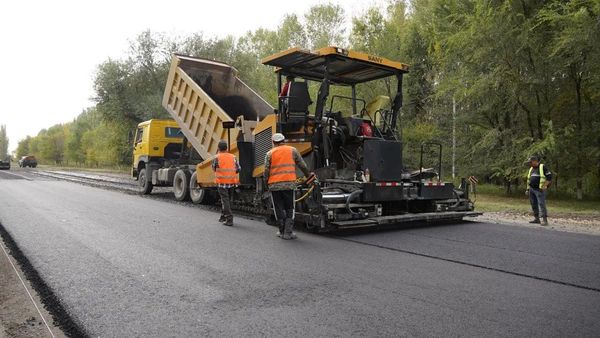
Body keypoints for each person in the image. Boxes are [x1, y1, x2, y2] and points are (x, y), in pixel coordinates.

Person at [264, 133, 311, 240]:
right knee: (290, 208)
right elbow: (302, 165)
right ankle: (288, 232)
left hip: (274, 185)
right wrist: (308, 175)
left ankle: (281, 231)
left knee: (278, 208)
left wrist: (266, 183)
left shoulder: (269, 154)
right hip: (289, 185)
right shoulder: (292, 150)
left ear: (273, 142)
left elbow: (266, 171)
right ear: (284, 140)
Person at [212, 140, 240, 226]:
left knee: (225, 200)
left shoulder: (216, 157)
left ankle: (229, 219)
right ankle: (223, 216)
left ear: (218, 148)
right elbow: (238, 169)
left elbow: (213, 168)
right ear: (227, 148)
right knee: (228, 200)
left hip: (221, 182)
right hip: (232, 182)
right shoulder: (233, 157)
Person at [525, 156, 552, 226]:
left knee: (541, 204)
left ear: (535, 161)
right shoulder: (531, 169)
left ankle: (545, 220)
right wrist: (527, 189)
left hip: (539, 190)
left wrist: (545, 185)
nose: (530, 164)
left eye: (530, 162)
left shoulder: (542, 167)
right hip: (531, 189)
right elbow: (528, 180)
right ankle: (537, 219)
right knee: (533, 204)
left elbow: (549, 177)